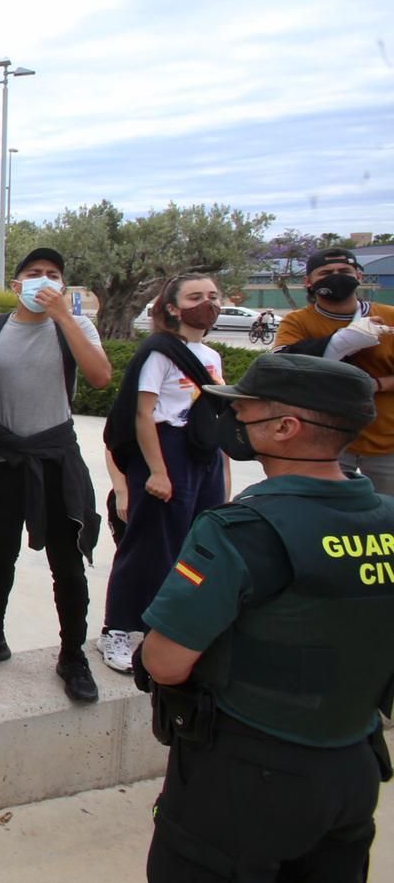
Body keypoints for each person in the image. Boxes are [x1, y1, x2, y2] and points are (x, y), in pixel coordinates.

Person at [136, 354, 394, 880]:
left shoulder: (241, 530)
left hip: (245, 777)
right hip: (354, 767)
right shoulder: (387, 518)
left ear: (285, 427)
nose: (232, 422)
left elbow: (164, 662)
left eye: (244, 410)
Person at [0, 248, 112, 703]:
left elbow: (101, 377)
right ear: (16, 285)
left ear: (63, 286)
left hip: (55, 459)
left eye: (52, 275)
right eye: (33, 274)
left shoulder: (77, 328)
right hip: (4, 460)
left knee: (67, 565)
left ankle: (72, 654)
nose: (42, 280)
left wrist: (65, 318)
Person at [99, 273, 227, 674]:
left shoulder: (211, 357)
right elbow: (143, 414)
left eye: (212, 296)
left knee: (194, 548)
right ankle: (117, 628)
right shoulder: (159, 353)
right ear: (172, 307)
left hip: (201, 454)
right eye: (195, 297)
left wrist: (222, 479)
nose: (207, 303)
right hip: (166, 450)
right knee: (149, 544)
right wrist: (156, 471)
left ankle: (169, 626)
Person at [273, 246, 394, 494]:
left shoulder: (390, 317)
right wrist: (346, 339)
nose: (335, 276)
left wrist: (377, 384)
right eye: (325, 272)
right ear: (308, 282)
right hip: (325, 442)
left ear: (359, 276)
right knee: (330, 516)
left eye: (344, 270)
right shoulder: (297, 322)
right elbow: (283, 367)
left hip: (388, 443)